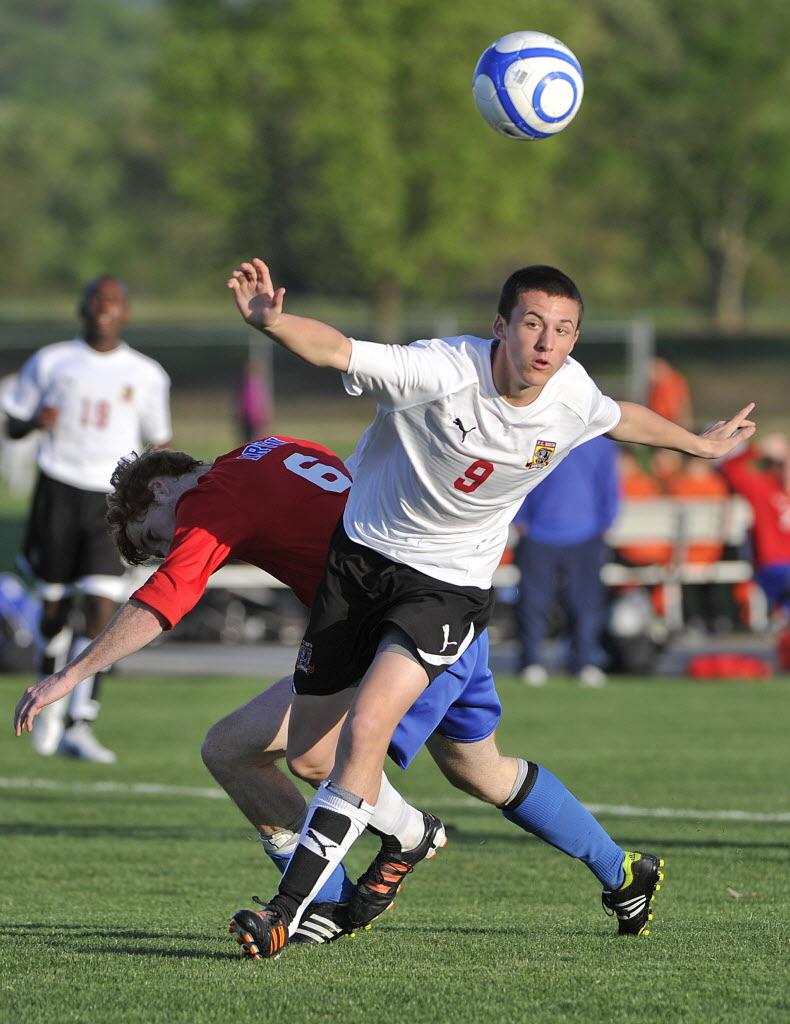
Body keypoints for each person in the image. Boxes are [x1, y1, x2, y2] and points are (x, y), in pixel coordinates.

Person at [223, 257, 754, 960]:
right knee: (399, 760)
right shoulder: (439, 371)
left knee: (365, 734)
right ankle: (622, 872)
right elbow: (340, 350)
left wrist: (699, 443)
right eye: (533, 323)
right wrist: (274, 322)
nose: (547, 343)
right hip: (361, 569)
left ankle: (289, 911)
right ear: (500, 326)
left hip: (448, 592)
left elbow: (619, 416)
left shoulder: (570, 392)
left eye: (564, 330)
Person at [14, 438, 648, 949]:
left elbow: (165, 599)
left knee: (312, 758)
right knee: (482, 772)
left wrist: (71, 673)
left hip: (402, 629)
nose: (167, 546)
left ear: (158, 486)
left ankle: (371, 864)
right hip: (439, 609)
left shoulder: (210, 497)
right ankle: (625, 872)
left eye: (154, 535)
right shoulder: (266, 448)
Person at [2, 276, 172, 762]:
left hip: (110, 498)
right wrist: (35, 423)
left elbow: (159, 441)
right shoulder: (52, 361)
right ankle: (45, 700)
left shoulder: (146, 373)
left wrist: (156, 495)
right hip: (57, 489)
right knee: (54, 607)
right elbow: (12, 422)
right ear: (83, 307)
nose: (104, 309)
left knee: (101, 609)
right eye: (97, 301)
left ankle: (81, 720)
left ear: (126, 313)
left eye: (114, 302)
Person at [513, 434, 620, 687]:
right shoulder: (539, 433)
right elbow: (521, 476)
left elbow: (608, 481)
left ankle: (583, 662)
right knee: (533, 602)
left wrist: (607, 520)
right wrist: (520, 518)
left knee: (584, 603)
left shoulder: (601, 438)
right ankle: (531, 662)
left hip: (586, 534)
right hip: (538, 534)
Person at [720, 434, 790, 619]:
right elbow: (731, 468)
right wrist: (757, 449)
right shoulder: (764, 489)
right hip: (775, 568)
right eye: (783, 464)